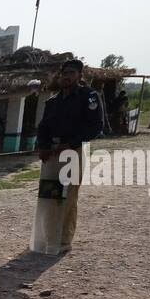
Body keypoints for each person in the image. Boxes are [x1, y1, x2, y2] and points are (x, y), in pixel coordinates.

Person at [31, 58, 103, 256]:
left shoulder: (88, 97)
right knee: (48, 195)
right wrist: (43, 146)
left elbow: (96, 127)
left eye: (71, 73)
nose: (67, 77)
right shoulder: (53, 101)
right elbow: (43, 127)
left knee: (67, 197)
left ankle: (62, 241)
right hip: (52, 154)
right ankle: (46, 238)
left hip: (73, 151)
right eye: (64, 73)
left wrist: (70, 143)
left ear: (80, 76)